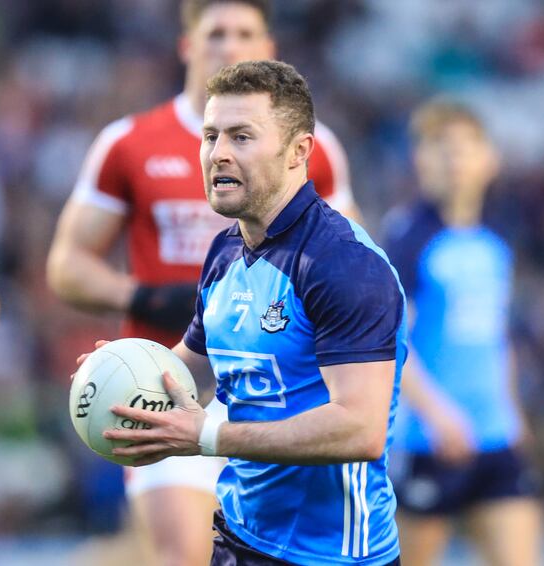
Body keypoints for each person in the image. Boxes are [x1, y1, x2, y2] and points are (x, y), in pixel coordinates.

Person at [47, 1, 358, 564]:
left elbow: (351, 259)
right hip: (169, 383)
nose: (230, 44)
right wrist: (141, 297)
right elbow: (66, 265)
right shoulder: (130, 142)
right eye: (216, 32)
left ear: (269, 48)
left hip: (278, 391)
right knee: (186, 554)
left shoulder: (313, 147)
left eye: (245, 32)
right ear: (187, 44)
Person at [382, 99, 542, 566]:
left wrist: (513, 412)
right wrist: (437, 415)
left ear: (489, 159)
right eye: (441, 148)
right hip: (430, 440)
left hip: (494, 433)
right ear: (421, 160)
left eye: (466, 148)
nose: (455, 160)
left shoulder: (498, 234)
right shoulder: (409, 235)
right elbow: (392, 343)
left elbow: (497, 336)